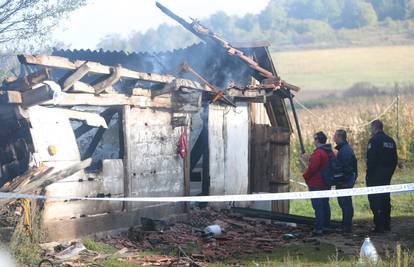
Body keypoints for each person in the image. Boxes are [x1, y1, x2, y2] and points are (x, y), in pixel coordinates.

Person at [366, 120, 398, 233]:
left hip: (375, 176)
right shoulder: (390, 141)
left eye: (371, 128)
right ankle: (386, 224)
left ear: (374, 128)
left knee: (375, 200)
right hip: (387, 176)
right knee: (385, 199)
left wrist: (369, 174)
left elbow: (371, 160)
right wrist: (389, 173)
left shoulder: (374, 141)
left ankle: (379, 226)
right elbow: (395, 160)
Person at [303, 131, 333, 236]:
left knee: (318, 206)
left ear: (317, 140)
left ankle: (319, 228)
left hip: (317, 184)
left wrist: (305, 176)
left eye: (314, 139)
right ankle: (326, 226)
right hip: (326, 183)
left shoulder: (319, 153)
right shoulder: (330, 152)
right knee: (325, 205)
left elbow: (312, 168)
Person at [333, 129, 358, 233]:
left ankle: (346, 226)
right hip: (344, 181)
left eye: (335, 136)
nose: (333, 137)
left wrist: (344, 181)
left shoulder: (345, 150)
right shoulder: (344, 149)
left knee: (345, 203)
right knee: (344, 203)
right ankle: (346, 224)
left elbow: (347, 168)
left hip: (344, 182)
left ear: (339, 137)